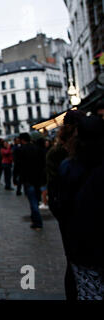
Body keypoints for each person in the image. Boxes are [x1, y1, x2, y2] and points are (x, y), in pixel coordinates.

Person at [58, 115, 104, 300]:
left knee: (89, 292)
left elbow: (63, 207)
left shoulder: (69, 167)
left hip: (82, 248)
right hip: (90, 245)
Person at [46, 109, 85, 300]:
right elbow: (54, 187)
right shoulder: (58, 153)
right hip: (71, 214)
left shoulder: (89, 148)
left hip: (72, 214)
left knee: (75, 262)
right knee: (74, 262)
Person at [17, 133, 45, 230]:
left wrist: (18, 180)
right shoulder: (37, 149)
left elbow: (19, 167)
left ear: (22, 140)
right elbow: (43, 163)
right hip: (38, 179)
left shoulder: (21, 150)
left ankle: (38, 223)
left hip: (28, 180)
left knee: (33, 202)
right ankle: (35, 220)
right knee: (36, 200)